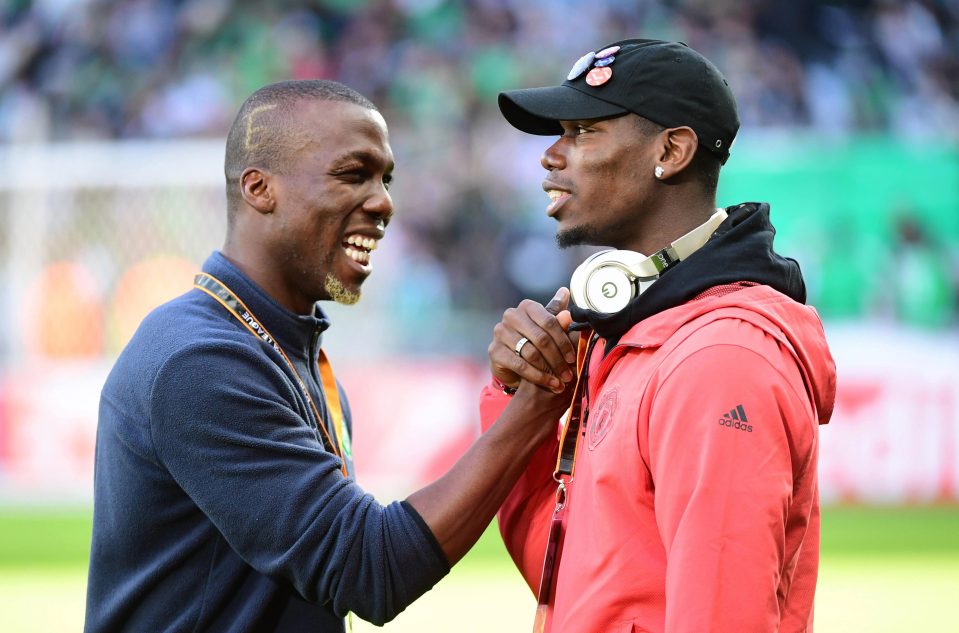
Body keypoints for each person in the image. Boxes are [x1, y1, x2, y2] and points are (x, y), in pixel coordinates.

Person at [85, 80, 573, 633]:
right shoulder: (201, 361)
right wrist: (535, 406)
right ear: (259, 188)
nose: (384, 201)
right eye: (353, 174)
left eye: (385, 178)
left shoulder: (280, 342)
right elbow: (370, 568)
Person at [480, 39, 837, 632]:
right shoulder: (632, 334)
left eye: (583, 131)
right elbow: (570, 579)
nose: (550, 155)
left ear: (671, 151)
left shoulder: (722, 360)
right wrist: (522, 398)